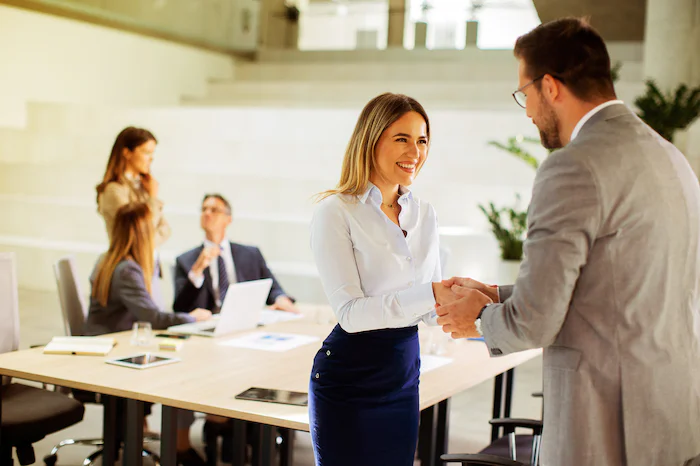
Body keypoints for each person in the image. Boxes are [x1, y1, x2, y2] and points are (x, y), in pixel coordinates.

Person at [435, 18, 700, 466]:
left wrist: (478, 318)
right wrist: (497, 294)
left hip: (606, 423)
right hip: (673, 415)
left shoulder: (572, 167)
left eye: (525, 94)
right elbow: (613, 287)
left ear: (551, 86)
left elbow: (534, 322)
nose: (526, 111)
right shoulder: (669, 156)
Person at [309, 93, 457, 466]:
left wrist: (465, 298)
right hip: (348, 379)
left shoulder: (426, 214)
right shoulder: (336, 212)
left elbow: (429, 310)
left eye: (422, 140)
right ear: (372, 140)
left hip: (403, 376)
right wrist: (431, 294)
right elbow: (351, 315)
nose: (415, 151)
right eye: (402, 138)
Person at [85, 202, 211, 466]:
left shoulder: (109, 260)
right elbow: (153, 318)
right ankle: (179, 448)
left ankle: (173, 441)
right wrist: (193, 317)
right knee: (184, 371)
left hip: (111, 346)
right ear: (141, 234)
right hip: (116, 354)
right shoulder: (127, 270)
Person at [173, 193, 297, 314]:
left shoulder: (251, 255)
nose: (207, 213)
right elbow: (180, 308)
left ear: (228, 219)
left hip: (245, 320)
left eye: (214, 210)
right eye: (204, 209)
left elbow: (273, 289)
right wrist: (196, 272)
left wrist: (281, 299)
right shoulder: (186, 260)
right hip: (208, 325)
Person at [96, 126, 170, 306]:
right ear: (127, 153)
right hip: (129, 268)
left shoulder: (142, 187)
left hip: (148, 265)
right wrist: (152, 198)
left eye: (152, 153)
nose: (151, 158)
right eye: (146, 152)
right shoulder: (114, 191)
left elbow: (165, 229)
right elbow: (137, 234)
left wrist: (147, 237)